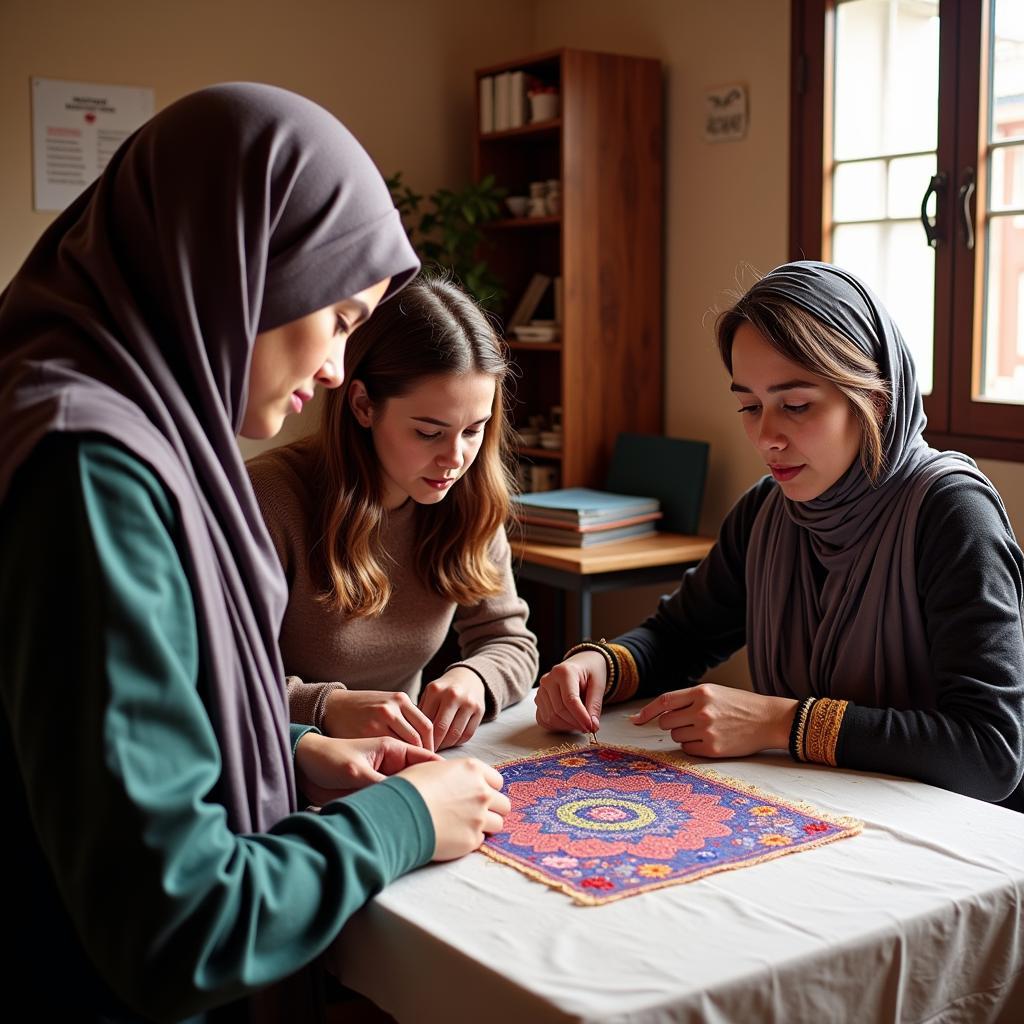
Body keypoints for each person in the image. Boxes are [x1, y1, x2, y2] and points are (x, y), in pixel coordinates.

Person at [0, 83, 509, 1021]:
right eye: (341, 319)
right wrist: (403, 819)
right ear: (239, 271)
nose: (336, 369)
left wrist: (287, 748)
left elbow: (88, 745)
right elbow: (179, 922)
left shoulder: (105, 426)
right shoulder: (91, 473)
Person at [536, 260, 1024, 812]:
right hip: (822, 812)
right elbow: (681, 636)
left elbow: (990, 751)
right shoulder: (768, 512)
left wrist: (778, 721)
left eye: (795, 406)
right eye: (748, 406)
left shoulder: (951, 514)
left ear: (876, 401)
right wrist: (601, 665)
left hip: (958, 843)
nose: (766, 437)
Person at [248, 276, 538, 752]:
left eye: (474, 430)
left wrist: (474, 678)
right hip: (285, 764)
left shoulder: (468, 496)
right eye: (429, 432)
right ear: (363, 405)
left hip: (407, 760)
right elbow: (215, 684)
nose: (455, 458)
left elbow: (509, 641)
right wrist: (323, 707)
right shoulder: (266, 500)